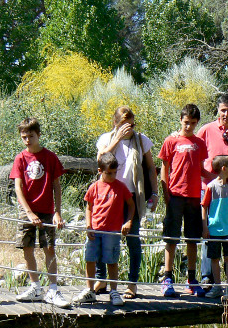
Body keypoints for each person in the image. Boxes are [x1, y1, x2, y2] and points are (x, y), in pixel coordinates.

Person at [96, 106, 158, 299]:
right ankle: (101, 279)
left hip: (132, 196)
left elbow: (150, 168)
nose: (128, 128)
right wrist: (116, 140)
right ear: (116, 123)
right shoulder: (106, 139)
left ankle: (132, 283)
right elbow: (101, 160)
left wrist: (154, 194)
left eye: (131, 124)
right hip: (107, 197)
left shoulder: (141, 140)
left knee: (133, 240)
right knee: (102, 237)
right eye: (124, 124)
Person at [10, 117, 70, 308]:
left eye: (31, 136)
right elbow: (18, 188)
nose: (27, 140)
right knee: (27, 248)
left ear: (39, 135)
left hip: (46, 210)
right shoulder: (20, 158)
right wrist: (28, 212)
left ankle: (53, 289)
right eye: (24, 137)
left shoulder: (50, 157)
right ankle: (35, 287)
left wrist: (58, 212)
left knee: (49, 248)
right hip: (27, 209)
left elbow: (57, 187)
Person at [158, 104, 214, 297]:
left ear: (197, 123)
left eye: (192, 123)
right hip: (175, 195)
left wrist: (219, 178)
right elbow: (164, 168)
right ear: (180, 120)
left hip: (194, 197)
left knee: (192, 239)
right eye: (185, 122)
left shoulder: (200, 143)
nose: (188, 126)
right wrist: (165, 193)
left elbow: (201, 169)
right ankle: (167, 278)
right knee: (171, 238)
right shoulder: (171, 141)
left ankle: (192, 279)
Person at [195, 93, 228, 290]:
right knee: (209, 234)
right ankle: (207, 277)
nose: (226, 114)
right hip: (209, 192)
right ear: (217, 110)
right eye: (223, 110)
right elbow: (195, 155)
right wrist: (211, 180)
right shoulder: (206, 130)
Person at [73, 152, 135, 306]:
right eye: (109, 173)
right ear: (100, 171)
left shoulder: (120, 187)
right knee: (90, 259)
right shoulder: (94, 187)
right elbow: (89, 207)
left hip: (113, 231)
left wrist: (128, 222)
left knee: (112, 260)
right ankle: (90, 291)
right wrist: (88, 225)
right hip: (95, 230)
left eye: (114, 173)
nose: (112, 176)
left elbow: (131, 204)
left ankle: (114, 291)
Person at [201, 155, 228, 302]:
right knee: (215, 259)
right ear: (224, 169)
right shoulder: (211, 187)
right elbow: (204, 207)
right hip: (214, 229)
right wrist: (205, 227)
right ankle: (217, 286)